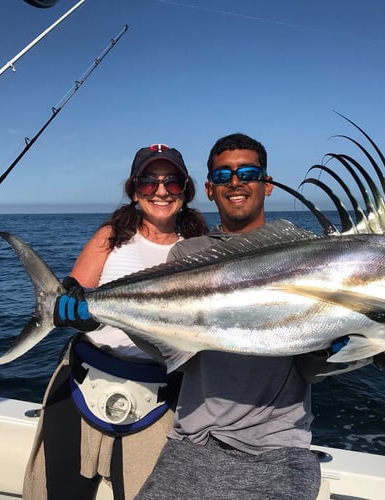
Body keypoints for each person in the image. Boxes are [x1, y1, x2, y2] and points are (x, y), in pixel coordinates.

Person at [136, 133, 336, 500]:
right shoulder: (187, 255)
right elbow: (171, 351)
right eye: (223, 175)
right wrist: (96, 313)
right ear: (210, 189)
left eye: (247, 172)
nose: (236, 182)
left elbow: (311, 369)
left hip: (277, 451)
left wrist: (341, 347)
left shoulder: (303, 253)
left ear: (268, 184)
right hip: (190, 443)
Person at [23, 143, 208, 500]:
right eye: (147, 182)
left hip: (160, 391)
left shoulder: (200, 247)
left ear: (185, 190)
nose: (160, 191)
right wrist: (75, 314)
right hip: (83, 377)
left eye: (172, 182)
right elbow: (75, 291)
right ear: (133, 190)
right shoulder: (111, 236)